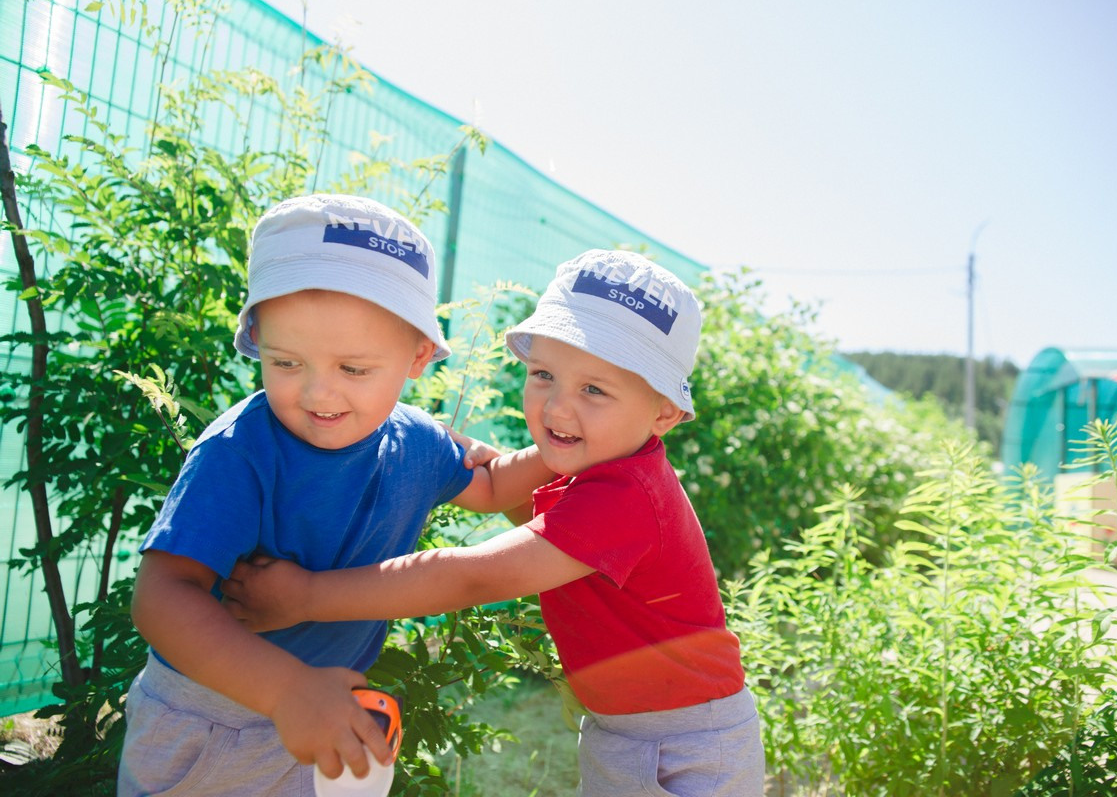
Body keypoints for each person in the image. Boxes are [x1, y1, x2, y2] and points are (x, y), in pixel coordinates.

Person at [224, 249, 767, 796]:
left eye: (594, 389)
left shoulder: (626, 496)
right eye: (543, 375)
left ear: (663, 413)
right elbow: (515, 502)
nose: (556, 408)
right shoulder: (600, 459)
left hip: (689, 749)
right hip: (628, 731)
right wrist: (457, 461)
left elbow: (475, 576)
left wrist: (308, 595)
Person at [117, 194, 554, 797]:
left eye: (353, 370)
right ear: (256, 338)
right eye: (286, 362)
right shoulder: (241, 451)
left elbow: (493, 486)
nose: (317, 394)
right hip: (212, 717)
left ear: (418, 357)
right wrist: (285, 689)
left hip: (326, 711)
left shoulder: (420, 444)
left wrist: (563, 450)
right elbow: (162, 597)